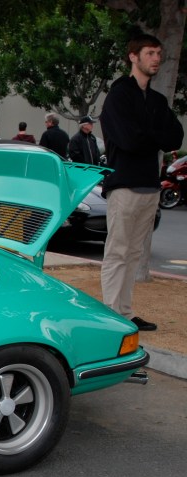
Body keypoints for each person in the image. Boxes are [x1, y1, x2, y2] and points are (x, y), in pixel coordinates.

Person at [99, 33, 184, 331]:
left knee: (134, 253)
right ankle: (110, 313)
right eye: (150, 53)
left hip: (150, 185)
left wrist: (148, 134)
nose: (157, 58)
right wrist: (153, 135)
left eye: (159, 53)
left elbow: (176, 136)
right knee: (118, 251)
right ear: (133, 57)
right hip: (124, 185)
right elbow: (128, 140)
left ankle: (125, 312)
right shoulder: (119, 96)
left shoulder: (158, 100)